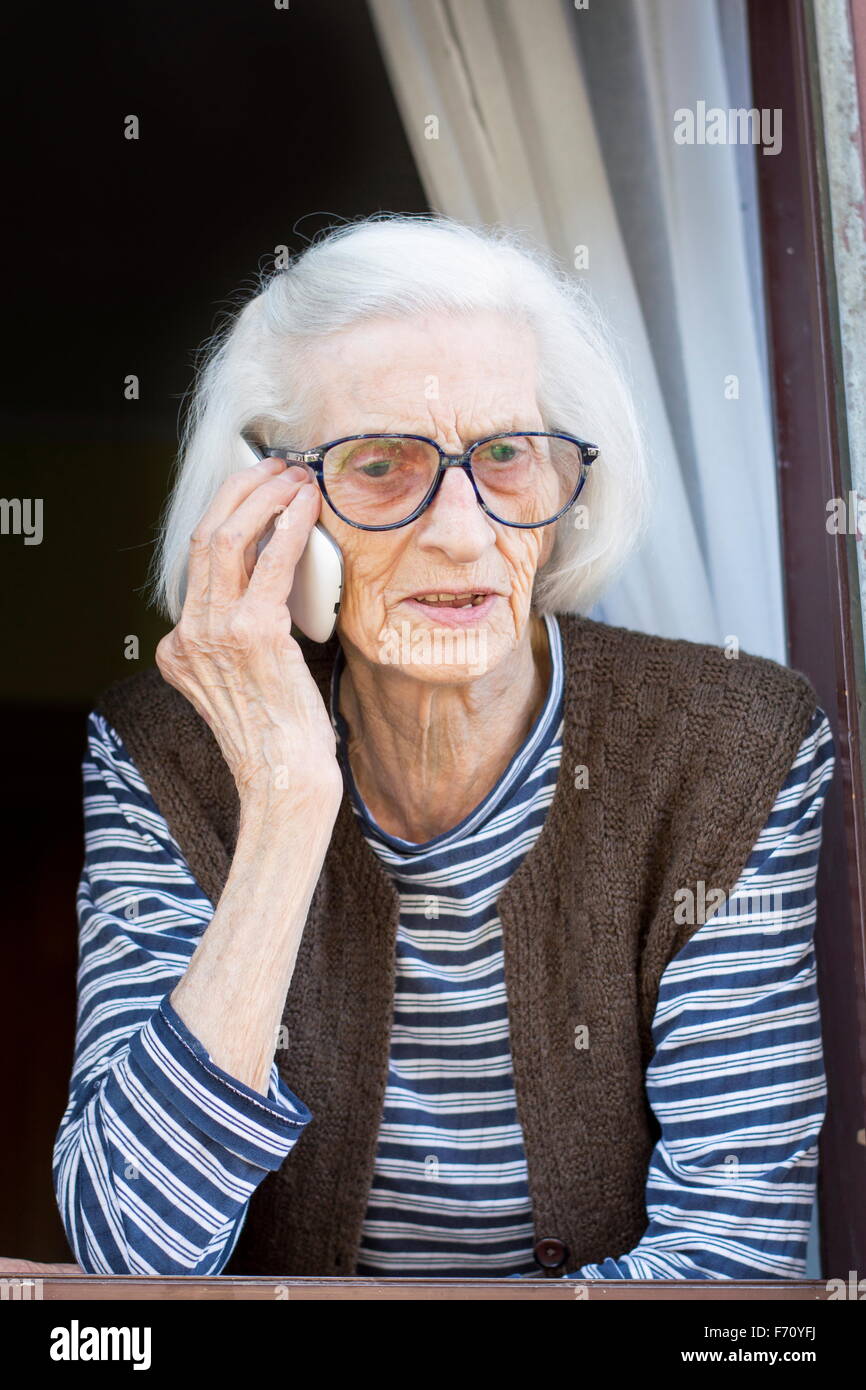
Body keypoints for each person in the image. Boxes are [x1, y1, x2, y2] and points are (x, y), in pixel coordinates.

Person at [53, 214, 835, 1279]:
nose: (463, 532)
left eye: (506, 455)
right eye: (380, 465)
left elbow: (732, 1260)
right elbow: (129, 1256)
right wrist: (283, 802)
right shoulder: (162, 754)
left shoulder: (732, 748)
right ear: (266, 507)